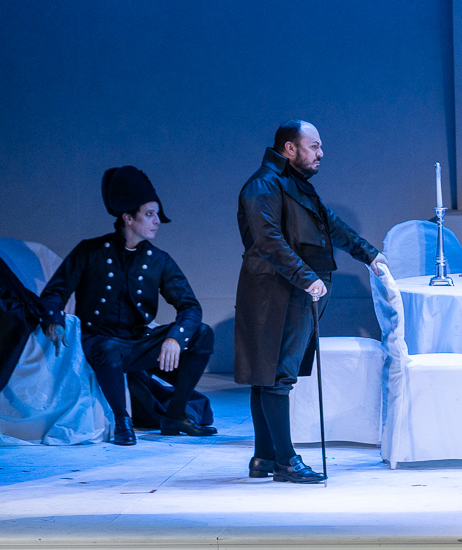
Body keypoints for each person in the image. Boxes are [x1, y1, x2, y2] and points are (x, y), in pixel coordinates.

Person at [235, 120, 388, 484]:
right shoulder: (264, 185)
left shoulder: (295, 184)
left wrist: (368, 254)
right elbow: (268, 241)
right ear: (290, 148)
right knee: (276, 376)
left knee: (270, 375)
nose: (321, 153)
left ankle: (264, 457)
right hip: (277, 292)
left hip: (294, 290)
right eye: (314, 146)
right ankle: (286, 462)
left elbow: (331, 225)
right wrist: (306, 277)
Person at [40, 166, 215, 446]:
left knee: (202, 333)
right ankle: (122, 421)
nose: (157, 221)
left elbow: (190, 306)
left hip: (137, 343)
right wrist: (54, 320)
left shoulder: (159, 260)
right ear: (128, 218)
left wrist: (174, 338)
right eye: (150, 214)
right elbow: (55, 291)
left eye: (156, 214)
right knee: (109, 348)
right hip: (99, 341)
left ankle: (175, 415)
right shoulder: (90, 251)